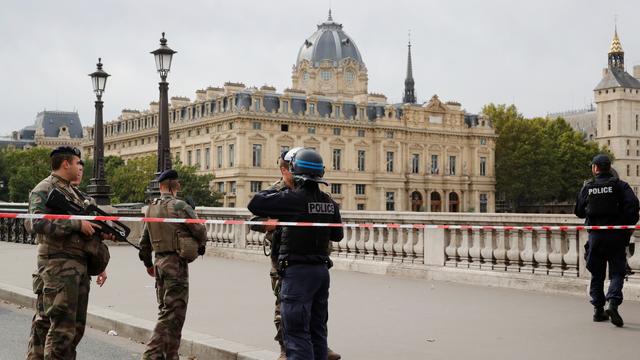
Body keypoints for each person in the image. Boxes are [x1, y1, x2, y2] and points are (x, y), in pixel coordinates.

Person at [248, 148, 343, 360]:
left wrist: (282, 188)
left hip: (297, 272)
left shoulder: (292, 199)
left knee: (297, 334)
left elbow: (255, 203)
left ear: (293, 170)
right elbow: (337, 235)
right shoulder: (330, 202)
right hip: (321, 272)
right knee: (318, 332)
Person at [25, 146, 113, 359]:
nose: (79, 167)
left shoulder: (75, 193)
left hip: (77, 266)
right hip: (58, 267)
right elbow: (34, 223)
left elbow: (85, 226)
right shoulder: (44, 188)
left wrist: (102, 233)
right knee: (59, 330)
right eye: (77, 163)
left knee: (73, 329)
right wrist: (75, 225)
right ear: (66, 164)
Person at [138, 169, 207, 359]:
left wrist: (148, 264)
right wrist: (199, 245)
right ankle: (151, 354)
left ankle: (170, 355)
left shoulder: (150, 208)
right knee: (172, 314)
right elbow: (200, 230)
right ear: (174, 185)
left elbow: (144, 242)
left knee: (169, 312)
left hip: (159, 263)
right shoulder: (180, 206)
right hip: (176, 265)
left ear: (160, 186)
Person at [575, 154, 639, 327]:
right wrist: (625, 225)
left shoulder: (588, 187)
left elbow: (579, 211)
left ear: (595, 168)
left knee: (597, 273)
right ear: (609, 168)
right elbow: (633, 207)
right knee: (617, 272)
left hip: (596, 236)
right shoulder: (620, 186)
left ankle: (598, 310)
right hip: (617, 235)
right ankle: (613, 302)